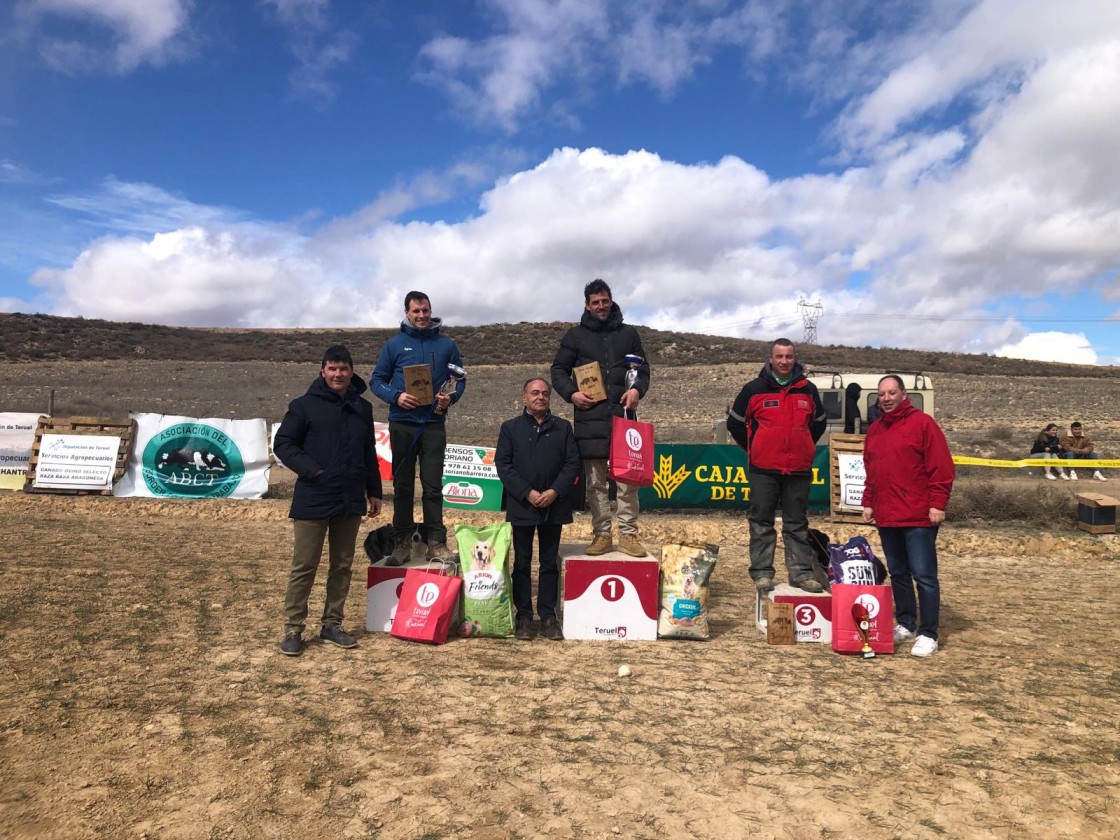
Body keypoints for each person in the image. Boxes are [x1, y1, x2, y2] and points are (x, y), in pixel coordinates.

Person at [274, 345, 383, 656]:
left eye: (344, 368)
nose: (338, 374)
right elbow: (284, 443)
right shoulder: (303, 406)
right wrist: (313, 471)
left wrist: (373, 490)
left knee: (343, 565)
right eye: (332, 368)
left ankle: (332, 624)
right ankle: (294, 628)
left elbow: (367, 452)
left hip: (350, 498)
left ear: (352, 372)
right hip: (314, 495)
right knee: (304, 565)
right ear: (322, 371)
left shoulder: (362, 408)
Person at [550, 279, 650, 557]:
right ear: (587, 305)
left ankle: (629, 535)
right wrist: (571, 394)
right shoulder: (574, 336)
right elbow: (558, 370)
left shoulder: (629, 334)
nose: (601, 306)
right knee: (595, 483)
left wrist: (637, 391)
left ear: (611, 300)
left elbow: (643, 370)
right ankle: (602, 534)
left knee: (628, 480)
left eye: (604, 301)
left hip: (624, 417)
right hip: (589, 419)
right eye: (595, 302)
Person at [861, 374, 955, 658]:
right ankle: (906, 623)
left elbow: (941, 467)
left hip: (917, 516)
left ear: (904, 395)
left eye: (891, 393)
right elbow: (871, 470)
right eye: (881, 394)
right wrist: (868, 502)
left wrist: (937, 503)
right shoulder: (875, 430)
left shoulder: (923, 424)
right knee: (898, 573)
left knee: (924, 576)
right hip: (887, 514)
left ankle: (929, 634)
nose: (886, 398)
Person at [727, 338, 827, 594]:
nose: (784, 361)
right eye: (779, 356)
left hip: (798, 469)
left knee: (796, 523)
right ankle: (762, 573)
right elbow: (735, 424)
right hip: (764, 469)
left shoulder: (809, 390)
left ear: (795, 359)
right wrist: (757, 446)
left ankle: (802, 575)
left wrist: (801, 444)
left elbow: (818, 424)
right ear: (770, 359)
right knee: (761, 522)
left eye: (789, 357)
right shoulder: (753, 389)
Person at [371, 291, 466, 562]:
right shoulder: (394, 345)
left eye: (425, 310)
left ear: (431, 310)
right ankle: (401, 543)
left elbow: (459, 380)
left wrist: (450, 398)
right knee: (402, 486)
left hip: (433, 423)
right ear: (407, 313)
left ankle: (436, 542)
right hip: (402, 424)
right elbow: (376, 380)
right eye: (416, 311)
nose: (422, 315)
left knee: (433, 486)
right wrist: (396, 396)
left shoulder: (446, 345)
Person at [495, 378, 581, 641]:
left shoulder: (563, 428)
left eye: (545, 393)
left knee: (548, 562)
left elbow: (572, 464)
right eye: (535, 393)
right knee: (521, 562)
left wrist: (554, 491)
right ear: (524, 397)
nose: (540, 397)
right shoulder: (510, 428)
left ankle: (547, 616)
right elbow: (503, 465)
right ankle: (523, 617)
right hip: (522, 505)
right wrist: (527, 493)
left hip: (553, 505)